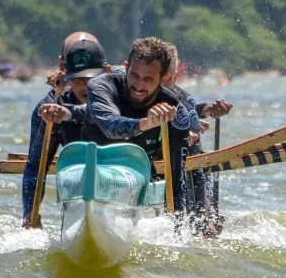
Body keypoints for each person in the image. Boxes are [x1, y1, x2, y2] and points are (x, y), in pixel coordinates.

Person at [38, 37, 194, 222]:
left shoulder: (174, 111)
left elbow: (176, 182)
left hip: (137, 171)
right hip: (91, 164)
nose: (138, 85)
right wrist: (146, 123)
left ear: (165, 79)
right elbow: (111, 126)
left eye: (148, 79)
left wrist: (175, 234)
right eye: (134, 75)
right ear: (126, 67)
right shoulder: (102, 85)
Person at [21, 32, 111, 228]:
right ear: (66, 74)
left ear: (105, 73)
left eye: (91, 78)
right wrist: (30, 213)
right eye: (78, 79)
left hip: (115, 174)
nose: (85, 86)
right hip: (78, 175)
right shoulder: (51, 107)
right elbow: (35, 166)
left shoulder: (122, 92)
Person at [163, 43, 233, 236]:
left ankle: (203, 219)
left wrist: (206, 110)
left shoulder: (181, 96)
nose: (165, 82)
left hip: (178, 159)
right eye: (160, 77)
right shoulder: (141, 89)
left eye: (169, 78)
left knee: (197, 152)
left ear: (175, 75)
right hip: (153, 156)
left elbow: (189, 109)